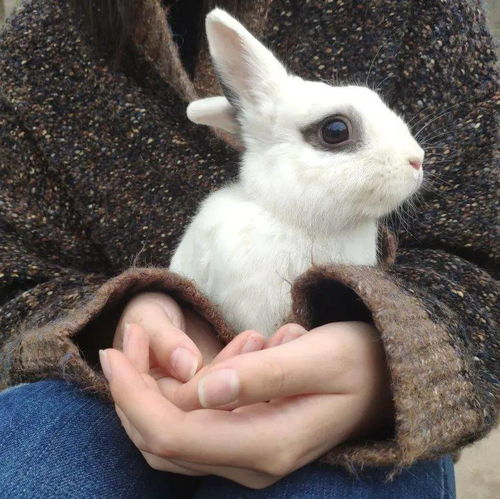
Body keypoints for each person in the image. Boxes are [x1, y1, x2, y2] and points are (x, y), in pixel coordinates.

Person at [0, 0, 497, 497]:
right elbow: (17, 281)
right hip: (112, 389)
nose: (417, 160)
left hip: (367, 410)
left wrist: (388, 362)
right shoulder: (38, 42)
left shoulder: (419, 13)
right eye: (337, 133)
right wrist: (119, 321)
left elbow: (480, 256)